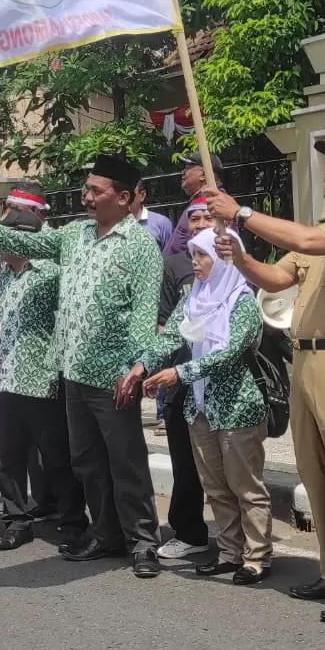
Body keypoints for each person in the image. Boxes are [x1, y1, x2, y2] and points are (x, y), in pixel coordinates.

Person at [0, 154, 166, 578]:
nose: (86, 196)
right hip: (72, 375)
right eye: (87, 188)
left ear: (125, 196)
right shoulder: (75, 235)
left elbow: (143, 312)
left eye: (96, 190)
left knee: (126, 463)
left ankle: (144, 542)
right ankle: (105, 535)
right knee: (87, 464)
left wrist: (139, 364)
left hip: (114, 378)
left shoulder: (140, 246)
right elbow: (29, 243)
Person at [208, 127, 325, 623]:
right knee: (316, 474)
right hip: (308, 359)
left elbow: (311, 241)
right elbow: (277, 278)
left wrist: (244, 213)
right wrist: (242, 255)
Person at [134, 228, 272, 582]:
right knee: (216, 487)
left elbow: (228, 355)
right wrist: (142, 365)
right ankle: (229, 551)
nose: (194, 262)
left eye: (203, 255)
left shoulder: (241, 301)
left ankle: (257, 557)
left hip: (237, 408)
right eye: (193, 254)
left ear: (225, 258)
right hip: (199, 408)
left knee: (246, 487)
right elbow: (172, 338)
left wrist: (179, 373)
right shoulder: (194, 298)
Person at [0, 183, 85, 549]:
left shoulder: (50, 273)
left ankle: (74, 521)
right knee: (9, 459)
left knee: (57, 459)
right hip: (6, 382)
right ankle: (17, 519)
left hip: (44, 381)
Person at [152, 193, 214, 558]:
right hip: (181, 378)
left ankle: (243, 540)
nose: (202, 223)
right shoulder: (174, 264)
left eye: (209, 216)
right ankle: (189, 531)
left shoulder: (236, 262)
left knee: (227, 465)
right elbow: (163, 323)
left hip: (222, 380)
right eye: (195, 218)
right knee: (184, 460)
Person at [161, 152, 224, 256]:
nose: (183, 172)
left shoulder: (211, 203)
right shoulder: (201, 201)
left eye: (188, 168)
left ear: (203, 175)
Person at [132, 176, 174, 249]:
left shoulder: (161, 223)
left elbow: (172, 256)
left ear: (142, 195)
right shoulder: (111, 225)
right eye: (121, 196)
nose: (125, 201)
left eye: (130, 196)